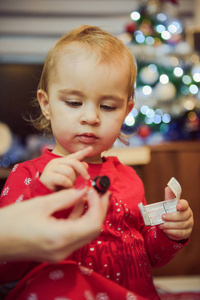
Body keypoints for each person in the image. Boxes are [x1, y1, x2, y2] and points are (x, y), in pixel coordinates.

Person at [0, 25, 193, 300]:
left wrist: (170, 234)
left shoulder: (129, 178)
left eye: (107, 106)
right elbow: (6, 268)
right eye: (75, 102)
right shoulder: (28, 175)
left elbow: (147, 257)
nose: (91, 117)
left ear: (126, 111)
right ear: (46, 104)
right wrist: (41, 193)